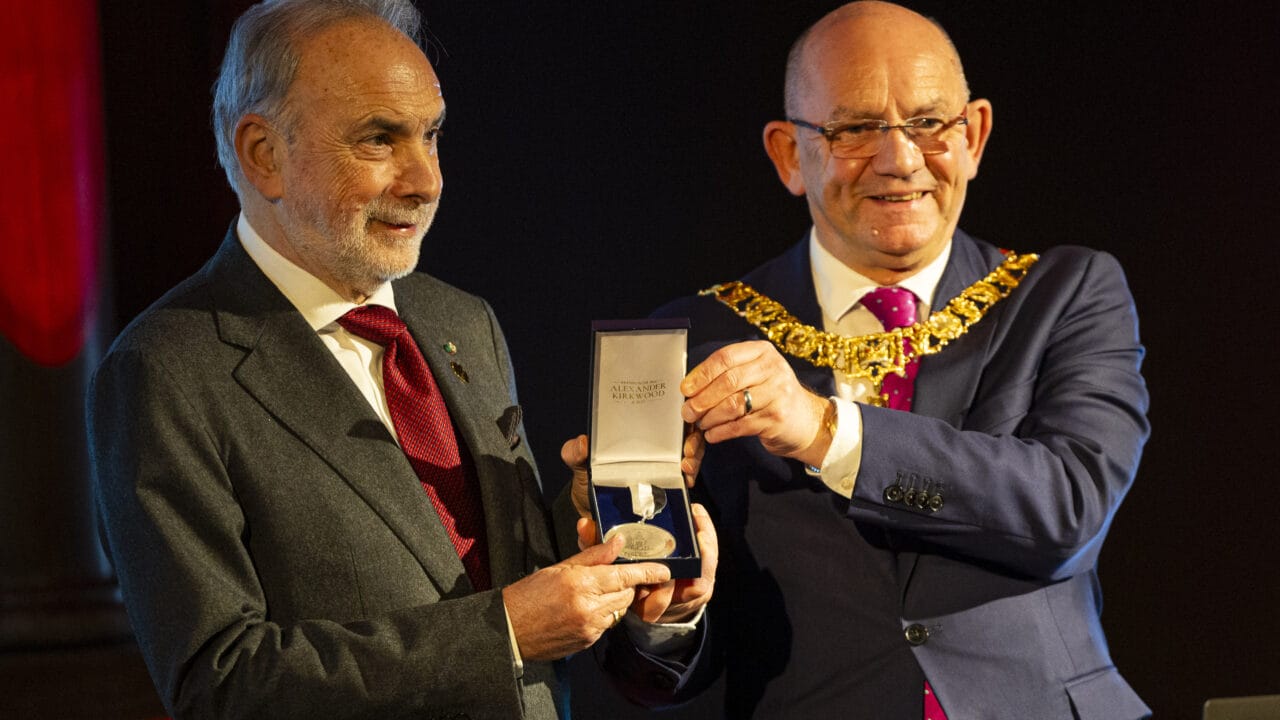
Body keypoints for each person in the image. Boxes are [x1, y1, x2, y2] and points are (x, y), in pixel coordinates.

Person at [87, 1, 714, 718]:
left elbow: (511, 593)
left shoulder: (461, 320)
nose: (425, 181)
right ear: (264, 154)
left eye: (432, 135)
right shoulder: (165, 370)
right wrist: (502, 632)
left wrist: (641, 588)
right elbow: (221, 684)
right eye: (379, 140)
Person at [652, 2, 1150, 718]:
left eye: (928, 123)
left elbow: (1068, 507)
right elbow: (656, 656)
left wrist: (828, 429)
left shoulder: (1066, 292)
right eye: (856, 128)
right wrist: (658, 602)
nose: (900, 158)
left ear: (973, 135)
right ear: (790, 154)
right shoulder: (698, 336)